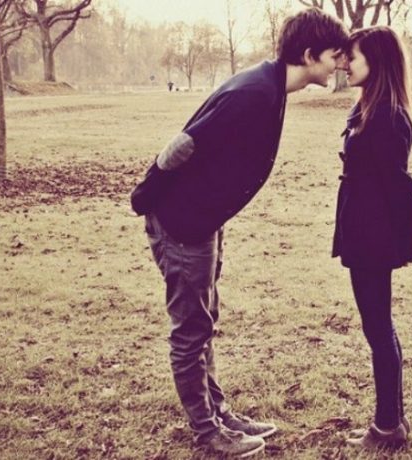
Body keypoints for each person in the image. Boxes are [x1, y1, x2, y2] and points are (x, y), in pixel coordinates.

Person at [130, 8, 348, 458]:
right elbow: (186, 142)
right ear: (310, 55)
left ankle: (219, 414)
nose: (340, 64)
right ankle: (207, 432)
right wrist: (145, 193)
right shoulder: (254, 92)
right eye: (335, 55)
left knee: (204, 319)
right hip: (183, 222)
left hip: (203, 219)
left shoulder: (271, 85)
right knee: (191, 330)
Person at [332, 26, 412, 451]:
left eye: (352, 57)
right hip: (364, 233)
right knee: (379, 328)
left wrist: (402, 243)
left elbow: (398, 186)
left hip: (373, 238)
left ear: (377, 62)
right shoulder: (370, 108)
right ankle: (392, 421)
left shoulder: (386, 116)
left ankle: (387, 427)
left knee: (379, 329)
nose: (344, 64)